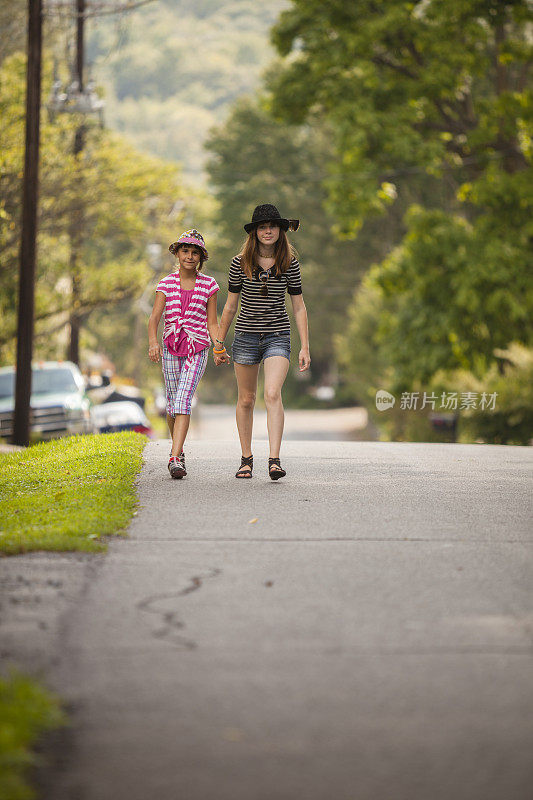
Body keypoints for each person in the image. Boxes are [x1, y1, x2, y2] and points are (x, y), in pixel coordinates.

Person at [214, 204, 311, 480]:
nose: (267, 231)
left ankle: (274, 460)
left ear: (280, 230)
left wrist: (305, 346)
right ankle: (246, 459)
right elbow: (230, 307)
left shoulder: (289, 263)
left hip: (277, 335)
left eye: (272, 226)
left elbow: (299, 307)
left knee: (271, 393)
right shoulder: (239, 263)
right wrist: (219, 342)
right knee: (246, 399)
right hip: (245, 336)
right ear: (254, 232)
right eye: (262, 227)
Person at [148, 229, 219, 479]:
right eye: (185, 251)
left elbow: (212, 322)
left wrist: (218, 345)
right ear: (177, 253)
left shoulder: (209, 285)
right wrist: (153, 343)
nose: (190, 256)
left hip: (197, 347)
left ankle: (175, 458)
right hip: (170, 345)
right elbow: (155, 317)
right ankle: (177, 449)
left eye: (195, 252)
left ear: (201, 257)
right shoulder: (166, 283)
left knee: (183, 400)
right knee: (171, 404)